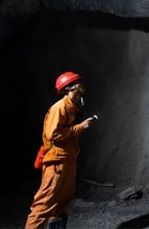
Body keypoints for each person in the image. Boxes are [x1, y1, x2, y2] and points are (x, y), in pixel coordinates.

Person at [26, 72, 96, 229]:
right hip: (56, 161)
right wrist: (80, 127)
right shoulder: (60, 107)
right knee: (45, 202)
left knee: (63, 201)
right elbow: (53, 134)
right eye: (78, 82)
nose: (82, 84)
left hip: (68, 159)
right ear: (69, 87)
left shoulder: (72, 107)